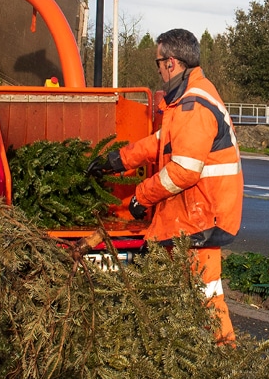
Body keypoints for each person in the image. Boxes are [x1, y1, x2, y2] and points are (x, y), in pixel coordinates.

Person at [94, 29, 243, 343]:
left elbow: (184, 172)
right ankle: (206, 358)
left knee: (205, 297)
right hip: (196, 213)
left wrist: (141, 197)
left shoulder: (194, 106)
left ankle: (225, 361)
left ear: (172, 63)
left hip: (202, 216)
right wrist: (118, 160)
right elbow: (160, 143)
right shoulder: (188, 99)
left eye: (159, 63)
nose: (158, 70)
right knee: (191, 294)